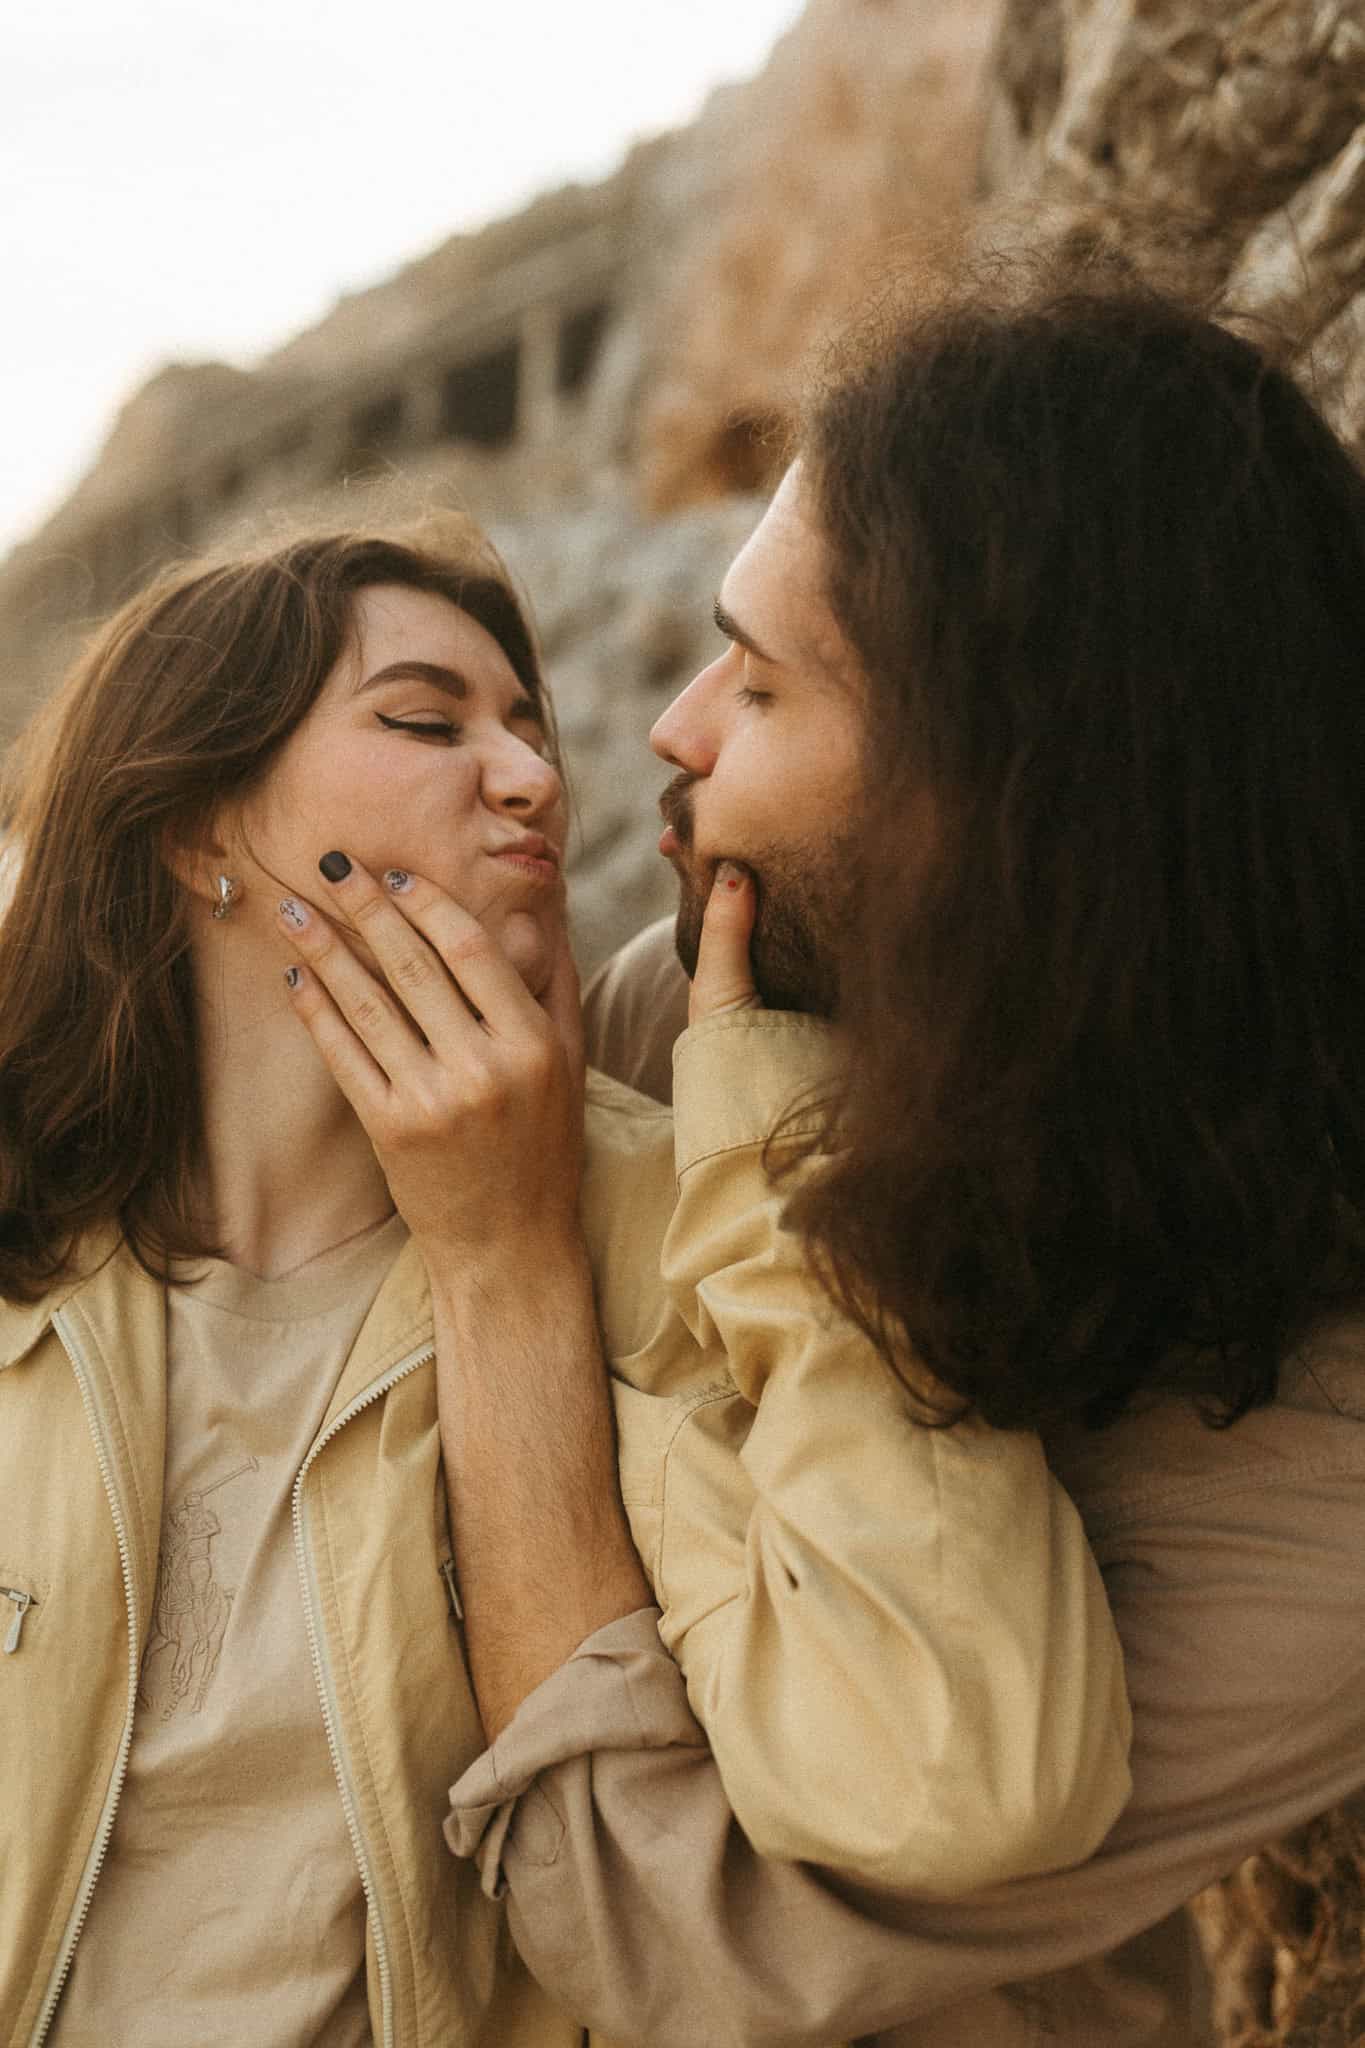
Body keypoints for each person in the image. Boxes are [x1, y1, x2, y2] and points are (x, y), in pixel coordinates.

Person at [0, 511, 1129, 2047]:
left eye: (530, 725)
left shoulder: (702, 1229)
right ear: (197, 828)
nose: (535, 775)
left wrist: (751, 1118)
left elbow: (970, 1771)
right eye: (422, 721)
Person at [432, 277, 1365, 2046]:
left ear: (997, 810)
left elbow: (683, 1935)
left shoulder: (1326, 1464)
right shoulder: (727, 992)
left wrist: (504, 1275)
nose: (672, 726)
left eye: (764, 687)